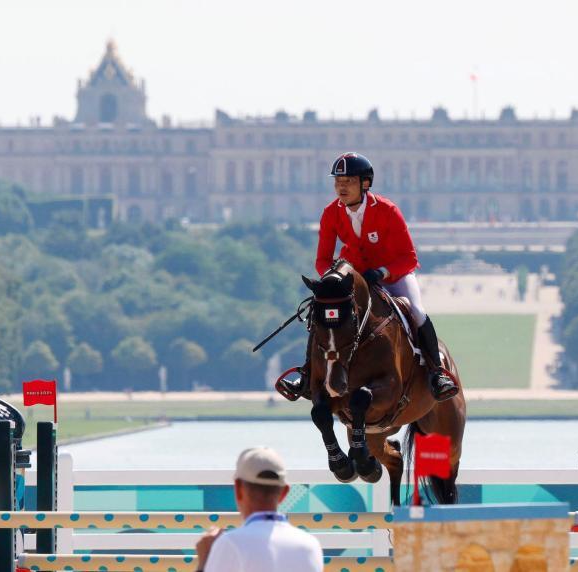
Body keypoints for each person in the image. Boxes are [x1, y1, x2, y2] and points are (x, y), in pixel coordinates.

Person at [278, 152, 459, 402]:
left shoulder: (387, 210)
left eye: (348, 181)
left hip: (393, 275)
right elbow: (322, 260)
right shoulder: (331, 213)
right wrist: (333, 281)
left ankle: (437, 373)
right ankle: (306, 375)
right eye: (338, 182)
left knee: (416, 311)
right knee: (323, 315)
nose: (341, 187)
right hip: (353, 280)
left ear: (365, 184)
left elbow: (408, 257)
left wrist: (382, 272)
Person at [195, 447, 323, 572]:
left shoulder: (230, 544)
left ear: (238, 489)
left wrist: (203, 563)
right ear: (284, 493)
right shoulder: (311, 546)